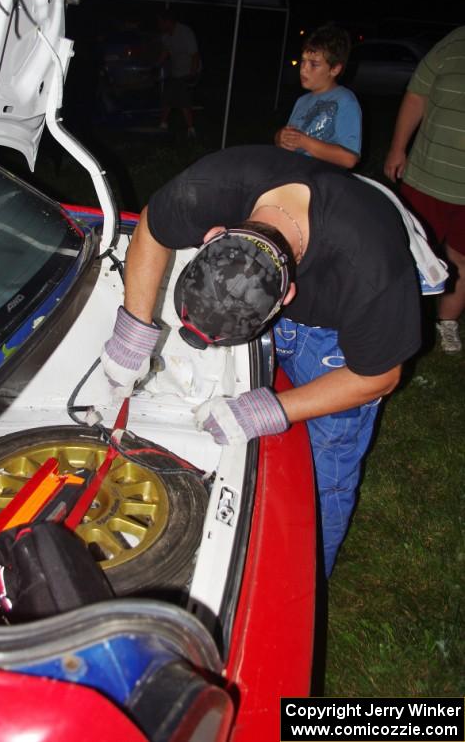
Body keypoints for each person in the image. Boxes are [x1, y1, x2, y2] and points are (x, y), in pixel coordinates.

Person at [101, 145, 422, 577]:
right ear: (213, 234)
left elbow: (380, 376)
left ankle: (304, 578)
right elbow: (153, 229)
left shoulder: (370, 268)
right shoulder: (208, 189)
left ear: (288, 297)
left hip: (336, 338)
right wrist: (133, 329)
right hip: (293, 289)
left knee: (327, 463)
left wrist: (271, 409)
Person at [384, 26, 465, 354]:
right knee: (410, 252)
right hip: (426, 175)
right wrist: (397, 147)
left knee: (461, 258)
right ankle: (398, 324)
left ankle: (447, 324)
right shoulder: (454, 42)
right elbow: (417, 93)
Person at [275, 25, 362, 169]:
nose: (304, 69)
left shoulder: (345, 100)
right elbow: (290, 140)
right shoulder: (302, 101)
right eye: (303, 61)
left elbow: (349, 158)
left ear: (335, 69)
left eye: (314, 64)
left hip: (324, 182)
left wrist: (304, 142)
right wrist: (280, 138)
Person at [157, 11, 200, 138]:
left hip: (189, 72)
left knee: (183, 100)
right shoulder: (165, 36)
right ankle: (163, 125)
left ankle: (191, 130)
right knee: (167, 96)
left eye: (160, 22)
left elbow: (195, 55)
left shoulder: (185, 32)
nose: (158, 25)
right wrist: (156, 65)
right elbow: (166, 51)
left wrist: (192, 75)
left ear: (168, 22)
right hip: (176, 72)